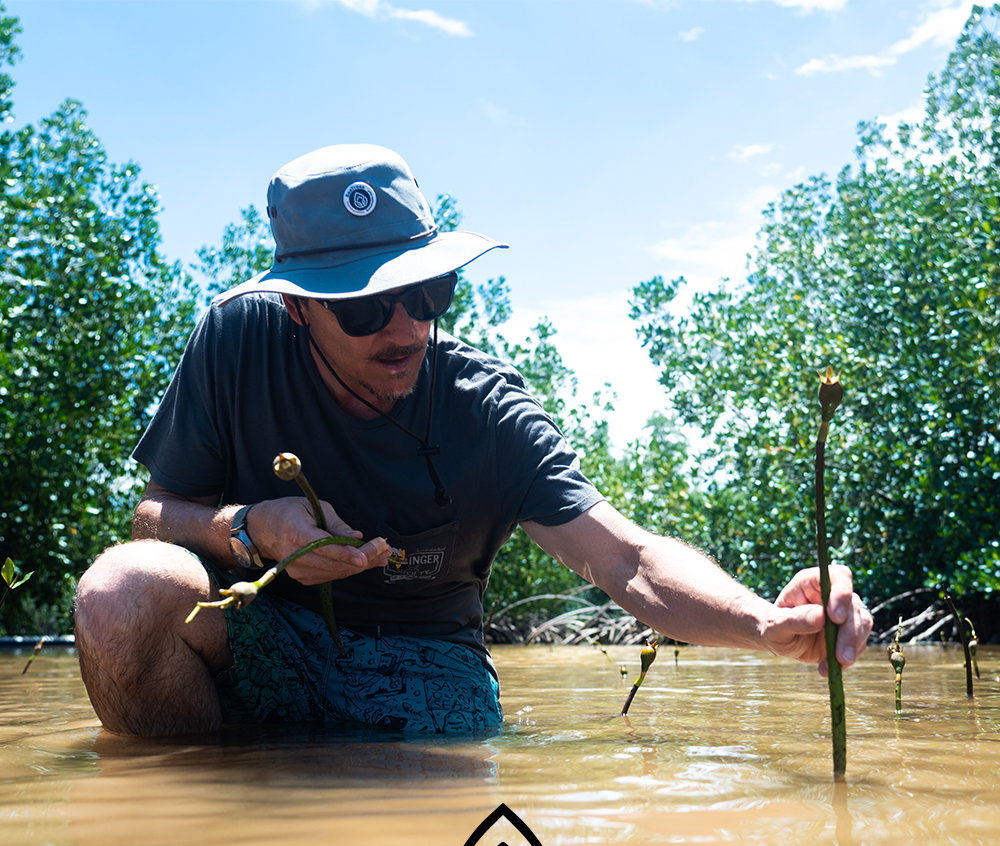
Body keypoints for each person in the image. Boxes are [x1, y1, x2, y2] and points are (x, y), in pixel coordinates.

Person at [74, 144, 873, 738]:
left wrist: (764, 624)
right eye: (362, 307)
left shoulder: (485, 407)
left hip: (431, 672)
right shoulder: (235, 342)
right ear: (296, 308)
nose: (403, 328)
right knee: (123, 593)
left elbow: (624, 559)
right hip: (265, 636)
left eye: (426, 293)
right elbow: (154, 515)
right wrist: (243, 528)